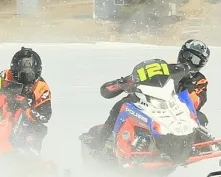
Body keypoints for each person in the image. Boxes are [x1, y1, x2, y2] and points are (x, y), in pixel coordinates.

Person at [85, 39, 213, 143]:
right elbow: (145, 76)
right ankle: (100, 143)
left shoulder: (199, 80)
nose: (190, 62)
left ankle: (198, 144)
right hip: (153, 104)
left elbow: (198, 100)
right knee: (121, 106)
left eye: (196, 61)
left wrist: (187, 92)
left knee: (201, 119)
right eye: (188, 56)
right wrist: (128, 82)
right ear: (182, 54)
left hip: (179, 109)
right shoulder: (165, 69)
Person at [1, 47, 52, 152]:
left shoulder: (42, 88)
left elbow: (44, 117)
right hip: (2, 115)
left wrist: (26, 107)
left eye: (29, 75)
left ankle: (30, 155)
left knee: (39, 128)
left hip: (25, 125)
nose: (24, 79)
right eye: (20, 75)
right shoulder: (5, 76)